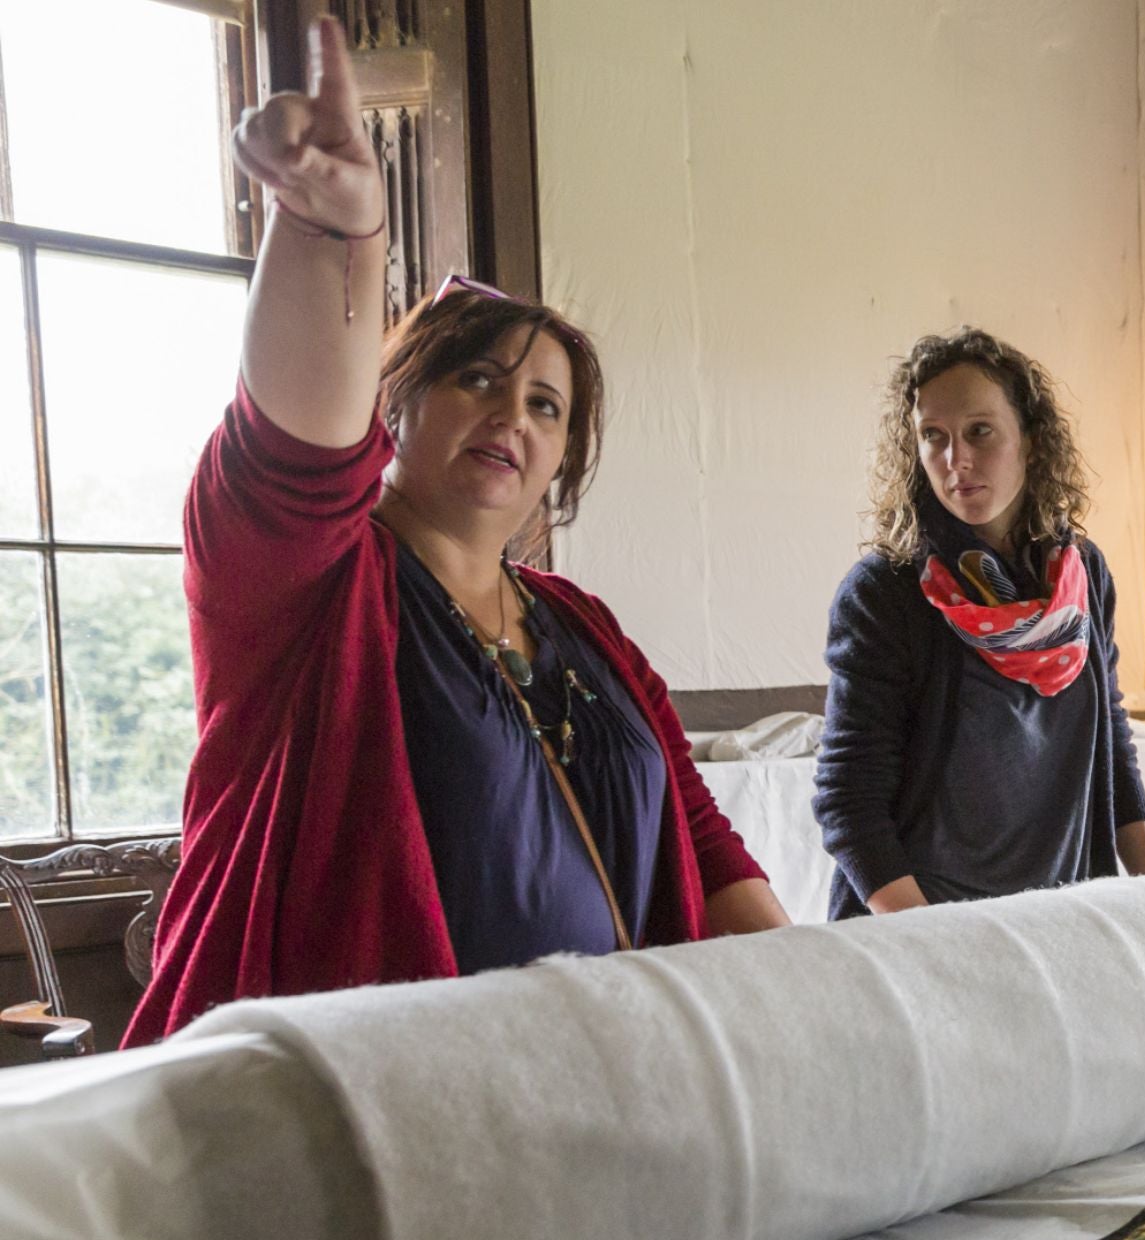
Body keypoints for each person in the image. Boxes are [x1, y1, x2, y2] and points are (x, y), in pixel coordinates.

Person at [126, 20, 786, 1044]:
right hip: (344, 1112)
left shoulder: (583, 625)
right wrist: (334, 237)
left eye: (546, 405)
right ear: (398, 400)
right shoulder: (309, 579)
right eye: (476, 378)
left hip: (598, 1102)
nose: (511, 417)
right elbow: (291, 451)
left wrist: (817, 1010)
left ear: (562, 460)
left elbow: (701, 846)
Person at [814, 330, 1145, 915]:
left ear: (1032, 439)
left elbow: (1111, 745)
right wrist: (933, 942)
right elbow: (849, 802)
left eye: (980, 431)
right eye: (933, 437)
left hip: (1059, 922)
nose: (956, 460)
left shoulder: (1083, 575)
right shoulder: (885, 592)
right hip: (924, 933)